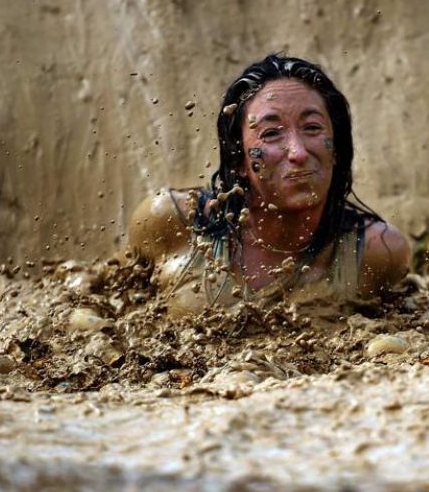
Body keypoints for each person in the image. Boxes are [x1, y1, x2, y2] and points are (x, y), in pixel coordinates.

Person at [130, 54, 410, 311]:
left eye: (312, 128)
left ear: (336, 149)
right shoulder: (171, 224)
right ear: (238, 159)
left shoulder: (377, 253)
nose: (298, 152)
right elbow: (111, 302)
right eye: (271, 133)